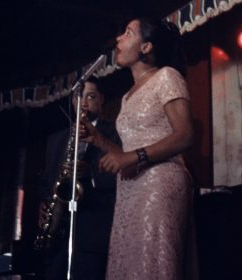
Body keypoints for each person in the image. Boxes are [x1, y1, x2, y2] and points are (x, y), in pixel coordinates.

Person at [80, 17, 195, 280]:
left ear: (146, 47)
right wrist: (98, 139)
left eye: (128, 33)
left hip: (159, 183)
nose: (118, 39)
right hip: (131, 187)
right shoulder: (128, 95)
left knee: (152, 263)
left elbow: (186, 135)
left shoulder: (167, 76)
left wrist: (136, 156)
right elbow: (128, 152)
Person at [36, 76, 121, 280]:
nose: (83, 102)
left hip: (93, 233)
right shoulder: (56, 139)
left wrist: (90, 174)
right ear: (73, 101)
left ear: (101, 99)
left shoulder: (115, 133)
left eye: (91, 96)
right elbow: (48, 180)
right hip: (58, 236)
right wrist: (45, 204)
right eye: (79, 97)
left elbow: (123, 178)